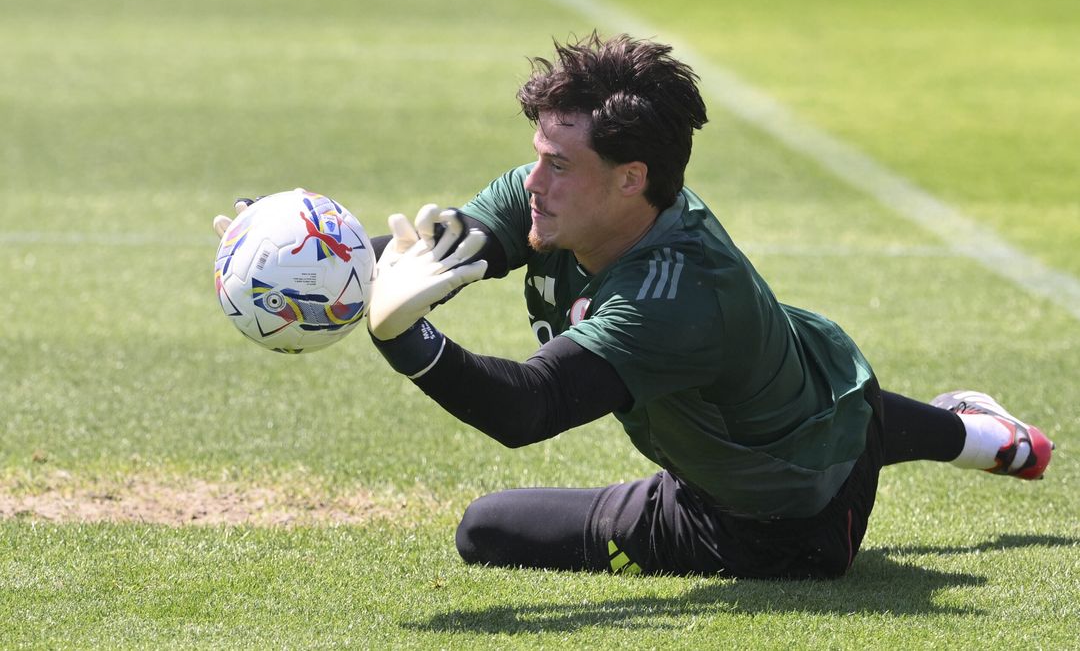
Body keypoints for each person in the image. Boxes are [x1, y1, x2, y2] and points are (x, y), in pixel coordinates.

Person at [215, 32, 1054, 579]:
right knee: (825, 411)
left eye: (558, 165)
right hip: (821, 386)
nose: (529, 182)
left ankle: (968, 435)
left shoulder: (674, 301)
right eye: (536, 155)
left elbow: (526, 407)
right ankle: (985, 436)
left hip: (779, 526)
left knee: (488, 531)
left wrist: (408, 342)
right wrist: (297, 247)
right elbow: (434, 248)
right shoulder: (561, 199)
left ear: (631, 178)